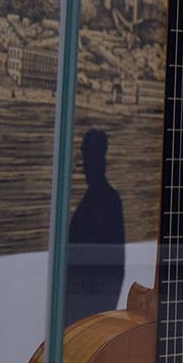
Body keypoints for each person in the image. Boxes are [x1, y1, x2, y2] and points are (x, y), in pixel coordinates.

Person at [65, 128, 126, 326]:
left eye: (88, 156)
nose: (84, 164)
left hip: (91, 304)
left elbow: (115, 264)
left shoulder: (107, 200)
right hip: (81, 301)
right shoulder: (98, 199)